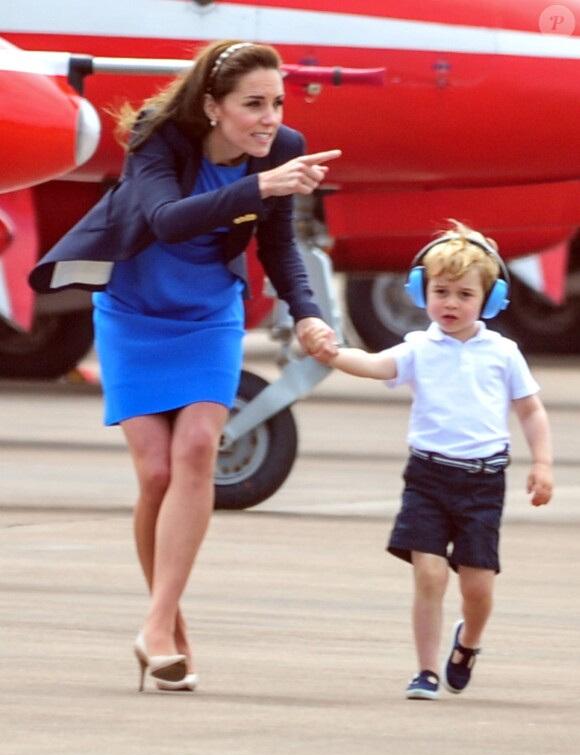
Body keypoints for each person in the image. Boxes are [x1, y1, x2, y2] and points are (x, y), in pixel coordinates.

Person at [32, 39, 340, 692]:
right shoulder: (159, 137)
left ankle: (155, 624)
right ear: (212, 107)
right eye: (253, 104)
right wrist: (258, 185)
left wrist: (309, 311)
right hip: (134, 309)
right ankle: (170, 624)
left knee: (198, 446)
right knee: (157, 474)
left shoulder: (283, 149)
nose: (269, 118)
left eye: (277, 103)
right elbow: (165, 220)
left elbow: (278, 243)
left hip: (208, 313)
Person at [309, 221, 553, 701]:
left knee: (478, 588)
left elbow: (531, 409)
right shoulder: (419, 347)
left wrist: (542, 463)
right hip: (427, 476)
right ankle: (425, 670)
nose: (451, 303)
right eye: (440, 291)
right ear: (423, 292)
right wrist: (334, 355)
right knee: (429, 572)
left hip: (483, 483)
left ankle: (468, 643)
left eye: (464, 294)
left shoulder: (503, 353)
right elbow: (377, 364)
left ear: (491, 300)